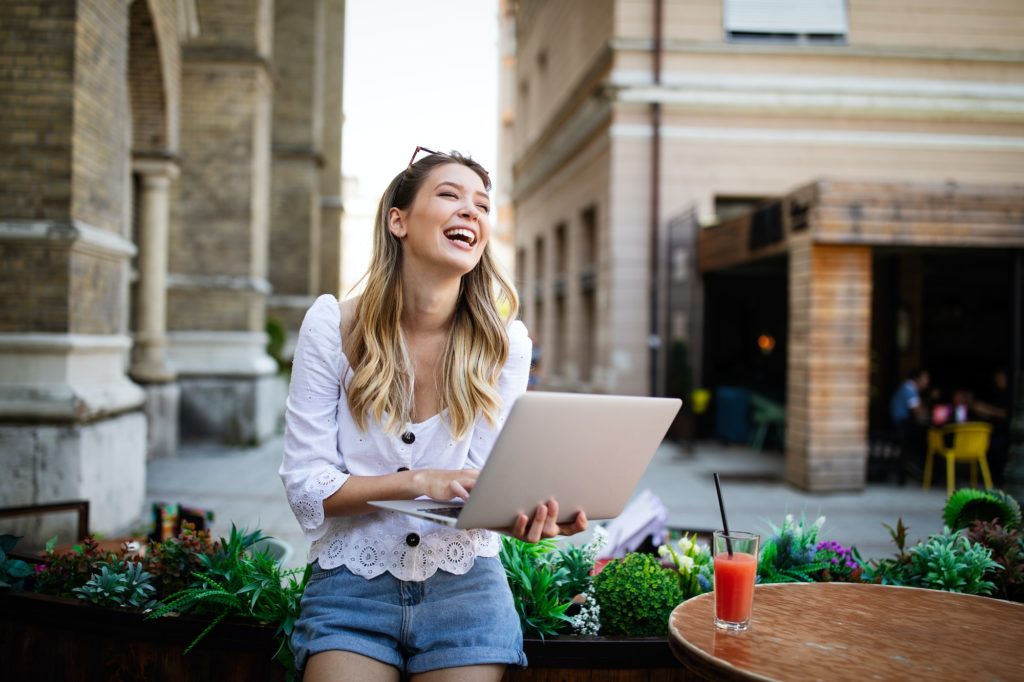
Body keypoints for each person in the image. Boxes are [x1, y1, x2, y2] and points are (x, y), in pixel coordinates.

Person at [279, 148, 587, 682]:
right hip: (351, 583)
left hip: (466, 587)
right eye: (450, 195)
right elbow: (307, 487)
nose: (471, 211)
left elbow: (486, 484)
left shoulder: (504, 345)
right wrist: (420, 481)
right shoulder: (332, 325)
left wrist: (526, 516)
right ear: (398, 220)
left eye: (482, 205)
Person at [971, 369, 1011, 485]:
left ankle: (996, 481)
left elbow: (1004, 414)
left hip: (1004, 433)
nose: (996, 381)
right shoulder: (997, 393)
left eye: (999, 378)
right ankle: (988, 479)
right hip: (993, 431)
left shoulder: (1010, 394)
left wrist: (985, 409)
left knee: (995, 452)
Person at [890, 368, 930, 476]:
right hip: (901, 425)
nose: (927, 381)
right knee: (924, 438)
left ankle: (919, 468)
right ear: (917, 378)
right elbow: (918, 412)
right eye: (925, 378)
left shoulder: (909, 388)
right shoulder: (909, 389)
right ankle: (920, 469)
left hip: (901, 424)